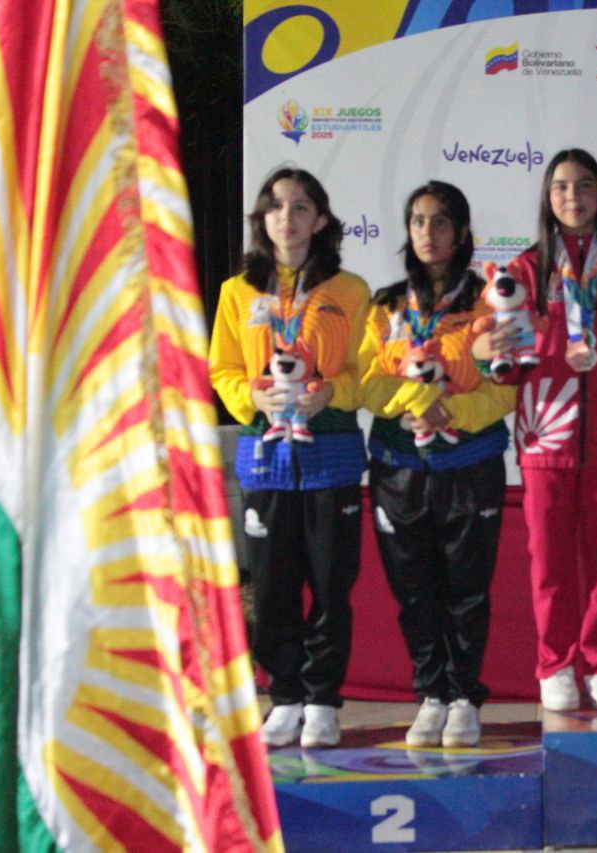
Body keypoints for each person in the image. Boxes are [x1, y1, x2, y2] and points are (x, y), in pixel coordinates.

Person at [480, 149, 597, 712]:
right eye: (561, 186)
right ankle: (555, 664)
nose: (572, 196)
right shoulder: (525, 271)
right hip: (545, 441)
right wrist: (493, 353)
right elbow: (506, 367)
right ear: (547, 197)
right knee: (551, 567)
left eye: (584, 185)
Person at [209, 167, 370, 748]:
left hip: (331, 454)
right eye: (276, 207)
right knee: (273, 584)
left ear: (320, 220)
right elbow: (223, 368)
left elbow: (367, 368)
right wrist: (250, 398)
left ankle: (322, 697)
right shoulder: (237, 291)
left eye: (301, 207)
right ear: (262, 220)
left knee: (330, 584)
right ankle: (285, 694)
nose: (288, 217)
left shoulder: (350, 290)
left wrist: (334, 392)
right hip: (265, 456)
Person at [359, 181, 515, 748]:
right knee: (414, 590)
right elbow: (368, 385)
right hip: (398, 467)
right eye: (418, 221)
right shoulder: (386, 305)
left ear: (462, 231)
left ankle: (464, 696)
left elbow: (507, 387)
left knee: (467, 588)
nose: (428, 232)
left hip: (470, 463)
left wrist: (455, 412)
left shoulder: (490, 303)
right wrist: (417, 400)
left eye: (441, 222)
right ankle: (431, 693)